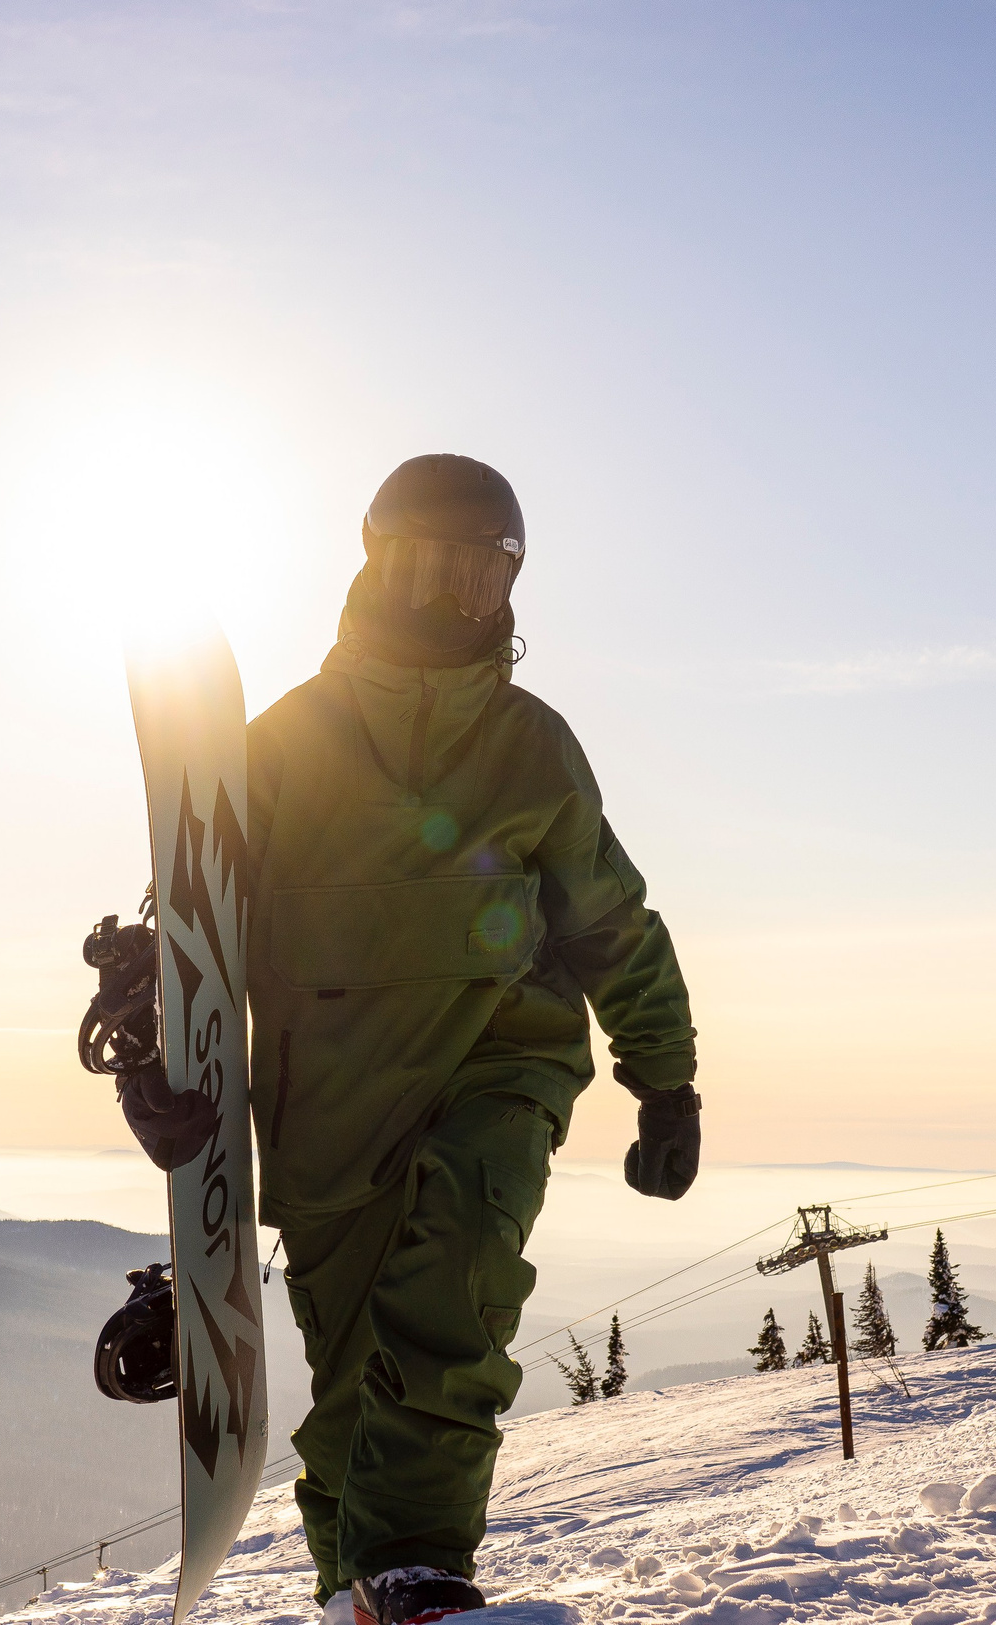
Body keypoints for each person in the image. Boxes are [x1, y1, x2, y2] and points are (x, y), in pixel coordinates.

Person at [247, 454, 701, 1625]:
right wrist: (161, 1066)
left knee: (452, 1295)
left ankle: (413, 1570)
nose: (455, 599)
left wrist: (666, 1080)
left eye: (481, 575)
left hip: (495, 1064)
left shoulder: (530, 746)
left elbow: (610, 922)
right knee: (351, 1387)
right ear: (372, 561)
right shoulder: (282, 747)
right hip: (330, 1103)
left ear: (510, 586)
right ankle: (358, 1591)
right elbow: (195, 932)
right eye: (426, 567)